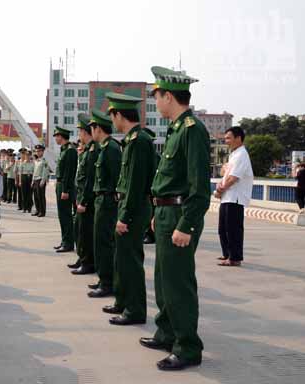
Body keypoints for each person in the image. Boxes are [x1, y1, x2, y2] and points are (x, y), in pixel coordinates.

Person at [140, 66, 210, 371]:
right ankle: (167, 332)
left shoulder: (192, 130)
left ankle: (187, 347)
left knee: (179, 283)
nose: (156, 103)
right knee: (164, 280)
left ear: (169, 96)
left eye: (157, 97)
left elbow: (199, 186)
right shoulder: (176, 129)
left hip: (181, 214)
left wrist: (186, 224)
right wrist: (158, 213)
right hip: (167, 211)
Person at [104, 92, 156, 326]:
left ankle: (134, 310)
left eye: (112, 116)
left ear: (118, 114)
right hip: (128, 205)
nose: (112, 122)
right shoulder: (132, 140)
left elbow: (136, 183)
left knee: (131, 261)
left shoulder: (139, 141)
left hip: (133, 209)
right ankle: (123, 301)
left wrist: (124, 215)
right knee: (122, 258)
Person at [87, 109, 121, 298]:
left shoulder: (111, 149)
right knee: (99, 242)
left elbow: (117, 179)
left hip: (108, 202)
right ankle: (103, 279)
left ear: (97, 129)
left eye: (92, 128)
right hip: (101, 199)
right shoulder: (105, 148)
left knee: (105, 243)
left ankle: (108, 283)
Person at [215, 126, 254, 267]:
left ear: (238, 138)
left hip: (235, 197)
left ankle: (235, 258)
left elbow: (234, 178)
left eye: (228, 138)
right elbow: (224, 173)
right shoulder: (233, 155)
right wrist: (221, 188)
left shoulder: (242, 154)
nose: (226, 141)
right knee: (223, 228)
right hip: (227, 196)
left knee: (233, 229)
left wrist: (220, 190)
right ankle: (227, 254)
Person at [70, 113, 99, 275]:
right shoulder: (87, 151)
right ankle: (82, 258)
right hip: (81, 197)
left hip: (87, 200)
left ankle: (88, 262)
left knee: (86, 233)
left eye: (80, 130)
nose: (79, 133)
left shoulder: (93, 151)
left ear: (86, 132)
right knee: (80, 231)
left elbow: (89, 180)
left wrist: (84, 201)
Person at [53, 127, 78, 253]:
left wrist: (66, 190)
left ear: (61, 136)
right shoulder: (63, 150)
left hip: (64, 186)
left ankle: (68, 243)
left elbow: (69, 172)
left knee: (66, 215)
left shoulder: (70, 151)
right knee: (61, 216)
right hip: (60, 185)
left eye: (56, 136)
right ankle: (64, 240)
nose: (55, 138)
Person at [32, 144, 49, 217]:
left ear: (42, 152)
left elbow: (45, 172)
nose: (37, 153)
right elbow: (34, 171)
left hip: (40, 180)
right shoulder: (36, 161)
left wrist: (43, 180)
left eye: (39, 151)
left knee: (41, 196)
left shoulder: (44, 161)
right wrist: (32, 181)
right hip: (35, 179)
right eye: (36, 151)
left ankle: (42, 211)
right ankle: (37, 210)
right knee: (35, 196)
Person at [19, 149, 35, 213]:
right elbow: (20, 173)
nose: (27, 156)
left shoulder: (33, 163)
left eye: (28, 155)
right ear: (25, 156)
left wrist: (33, 181)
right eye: (26, 155)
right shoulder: (22, 163)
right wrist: (20, 181)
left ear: (30, 156)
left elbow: (34, 172)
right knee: (24, 193)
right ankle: (24, 208)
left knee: (30, 194)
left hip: (30, 178)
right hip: (24, 177)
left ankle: (29, 208)